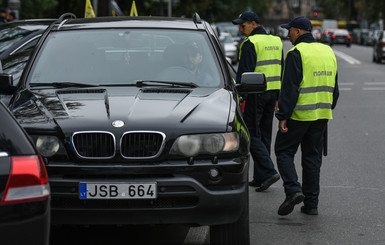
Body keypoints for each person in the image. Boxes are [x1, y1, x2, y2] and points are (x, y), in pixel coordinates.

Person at [275, 16, 339, 216]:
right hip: (322, 114)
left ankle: (293, 190)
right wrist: (327, 107)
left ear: (298, 31)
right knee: (312, 158)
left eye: (290, 30)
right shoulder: (328, 51)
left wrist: (283, 115)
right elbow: (335, 89)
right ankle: (311, 204)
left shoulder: (296, 53)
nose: (288, 34)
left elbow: (290, 89)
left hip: (299, 115)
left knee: (283, 151)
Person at [232, 11, 283, 192]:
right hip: (272, 93)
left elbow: (244, 74)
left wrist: (239, 96)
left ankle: (268, 172)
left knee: (251, 134)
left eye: (243, 25)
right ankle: (261, 177)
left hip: (255, 94)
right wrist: (278, 96)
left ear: (253, 24)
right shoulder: (276, 41)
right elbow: (280, 68)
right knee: (264, 134)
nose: (240, 28)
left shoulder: (250, 43)